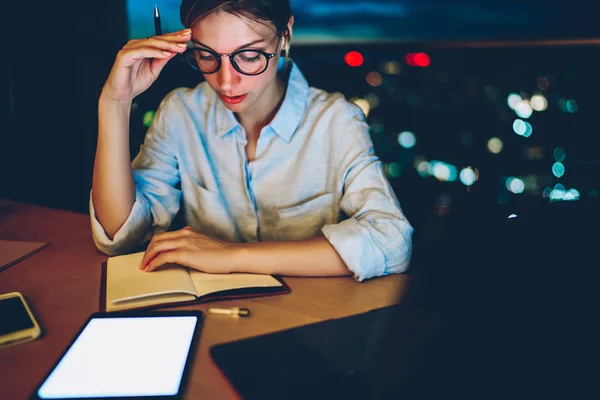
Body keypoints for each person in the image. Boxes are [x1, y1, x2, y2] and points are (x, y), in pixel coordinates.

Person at [90, 0, 413, 281]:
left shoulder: (336, 121)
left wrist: (231, 256)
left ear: (285, 34)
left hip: (306, 319)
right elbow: (118, 235)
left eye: (250, 55)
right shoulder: (180, 113)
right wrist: (114, 104)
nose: (226, 82)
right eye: (206, 55)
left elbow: (391, 242)